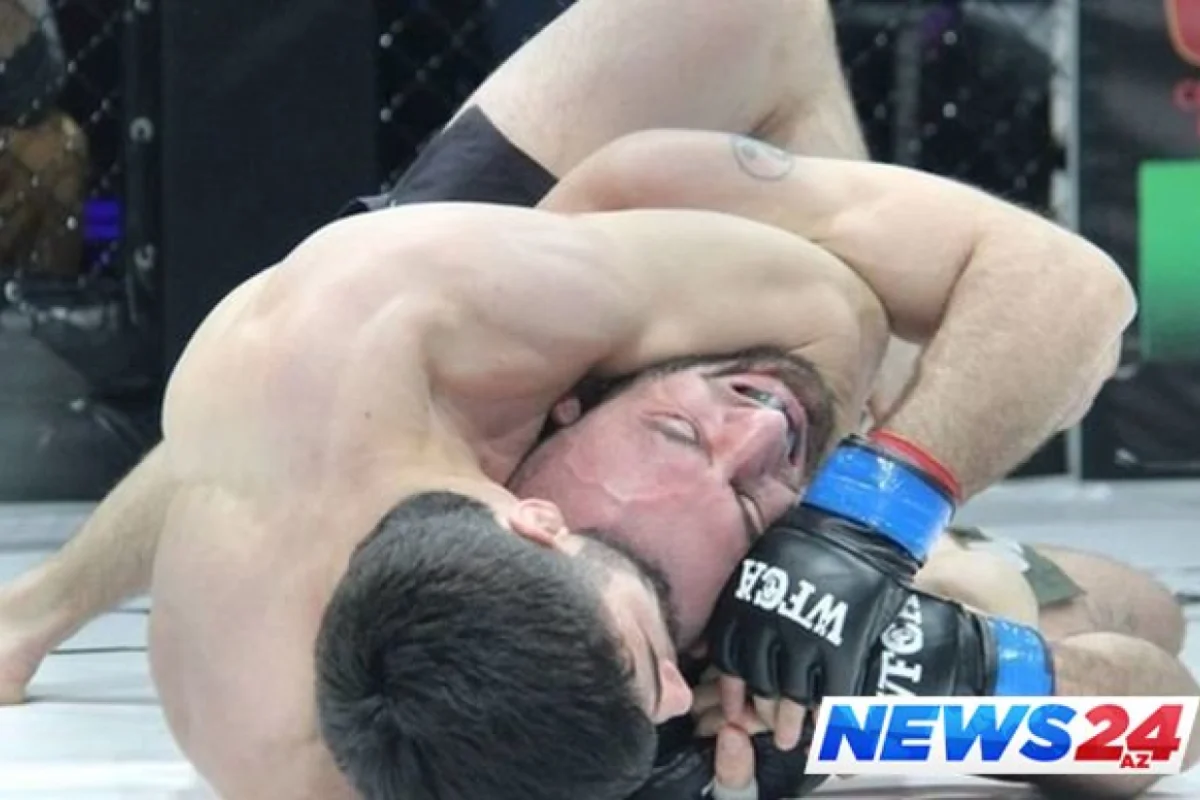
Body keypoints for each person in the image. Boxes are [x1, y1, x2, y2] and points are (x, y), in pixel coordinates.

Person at [0, 1, 1149, 800]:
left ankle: (32, 607)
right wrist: (934, 671)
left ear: (532, 509)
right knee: (1099, 602)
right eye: (754, 507)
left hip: (442, 315)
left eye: (676, 427)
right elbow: (1151, 710)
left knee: (746, 22)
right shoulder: (693, 702)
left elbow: (1061, 292)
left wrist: (867, 513)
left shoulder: (480, 304)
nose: (754, 426)